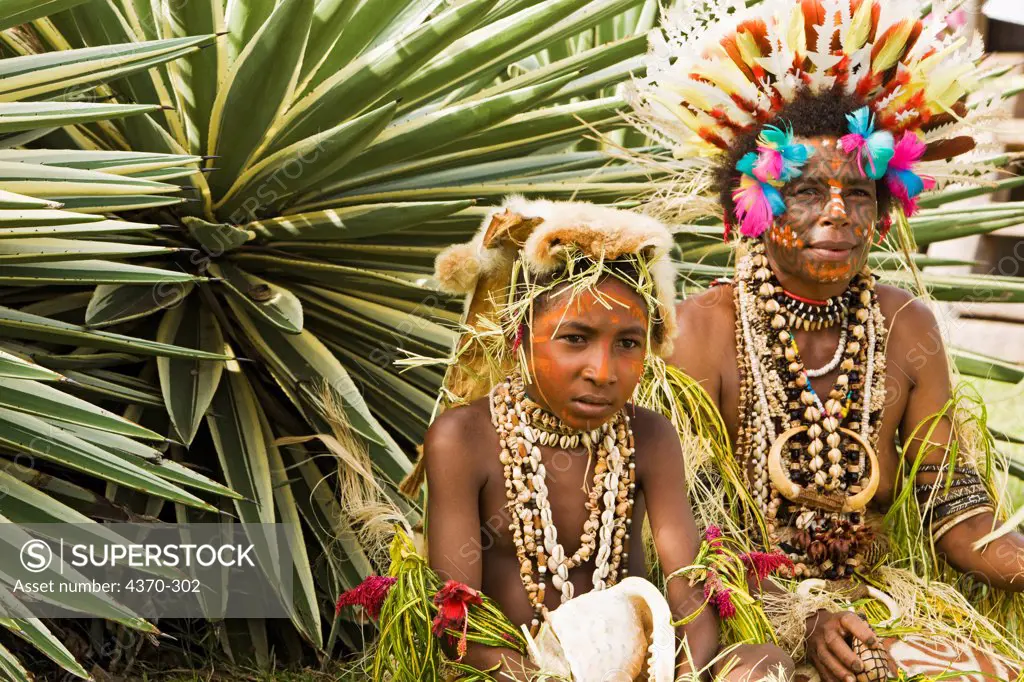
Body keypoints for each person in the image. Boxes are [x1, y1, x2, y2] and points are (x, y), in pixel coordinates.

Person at [627, 1, 1024, 680]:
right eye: (806, 191)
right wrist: (798, 618)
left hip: (877, 604)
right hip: (736, 613)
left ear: (885, 204)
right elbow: (683, 537)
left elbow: (954, 505)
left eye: (859, 194)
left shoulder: (907, 328)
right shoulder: (700, 329)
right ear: (753, 203)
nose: (837, 213)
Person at [384, 197, 792, 681]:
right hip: (519, 671)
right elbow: (458, 624)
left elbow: (689, 594)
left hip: (643, 664)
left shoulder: (649, 437)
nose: (603, 372)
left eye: (627, 344)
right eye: (574, 338)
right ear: (520, 334)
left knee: (764, 661)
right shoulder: (464, 437)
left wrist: (681, 672)